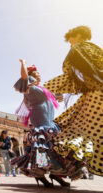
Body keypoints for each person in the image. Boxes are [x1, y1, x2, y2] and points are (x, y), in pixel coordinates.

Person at [44, 26, 103, 177]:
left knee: (72, 134)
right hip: (41, 125)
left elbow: (72, 78)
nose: (70, 44)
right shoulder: (96, 50)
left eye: (70, 40)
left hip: (95, 98)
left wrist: (46, 88)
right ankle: (50, 169)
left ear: (77, 35)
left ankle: (51, 168)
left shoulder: (78, 49)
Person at [11, 59, 76, 187]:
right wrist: (23, 63)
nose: (40, 75)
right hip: (40, 119)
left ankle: (55, 173)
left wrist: (58, 96)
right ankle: (40, 174)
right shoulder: (29, 87)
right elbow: (24, 76)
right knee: (42, 146)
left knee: (54, 147)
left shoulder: (43, 89)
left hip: (50, 120)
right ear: (31, 77)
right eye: (37, 74)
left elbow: (55, 98)